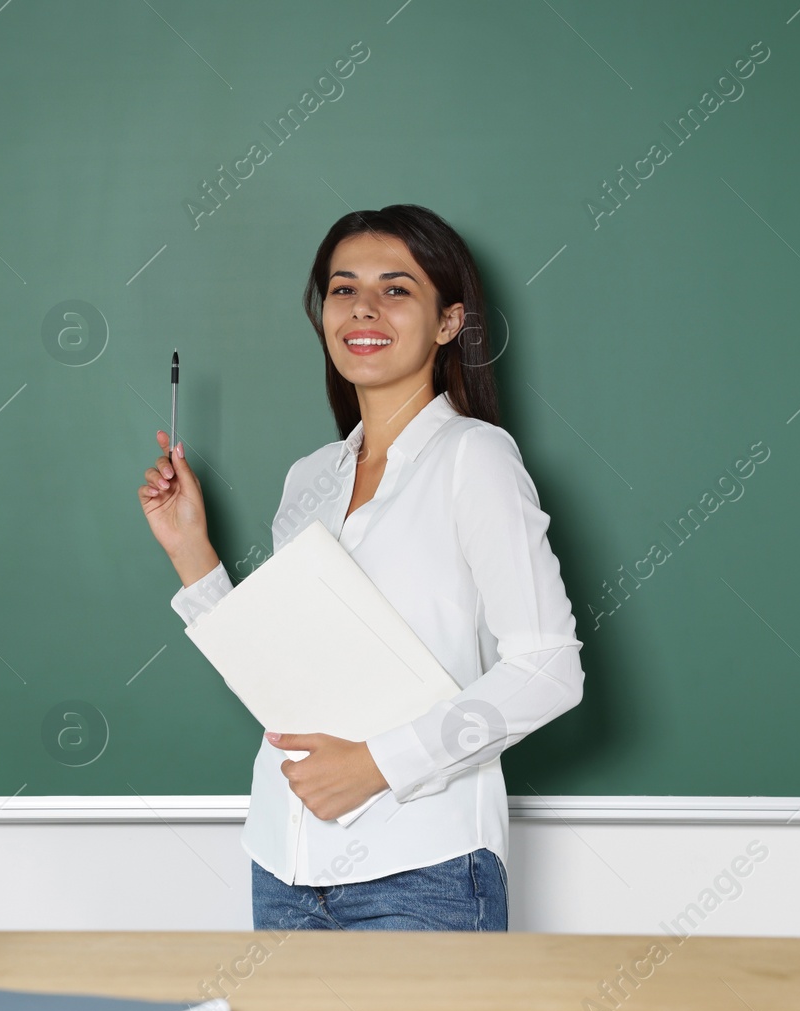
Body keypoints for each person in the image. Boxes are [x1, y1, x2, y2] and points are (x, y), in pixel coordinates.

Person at [138, 203, 584, 931]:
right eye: (343, 289)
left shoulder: (475, 458)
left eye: (397, 288)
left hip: (423, 868)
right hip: (284, 863)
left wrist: (379, 764)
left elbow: (548, 668)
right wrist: (192, 552)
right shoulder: (309, 477)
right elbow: (281, 679)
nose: (363, 308)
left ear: (448, 322)